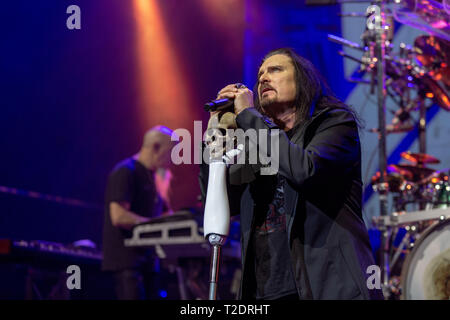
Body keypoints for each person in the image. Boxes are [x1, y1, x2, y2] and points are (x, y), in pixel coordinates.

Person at [199, 48, 384, 300]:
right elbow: (225, 202)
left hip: (328, 287)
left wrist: (248, 116)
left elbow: (305, 170)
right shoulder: (255, 143)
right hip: (265, 289)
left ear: (303, 80)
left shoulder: (334, 124)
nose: (263, 78)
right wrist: (213, 140)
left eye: (275, 70)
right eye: (260, 73)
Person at [102, 125, 175, 300]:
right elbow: (119, 216)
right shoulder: (126, 171)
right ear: (156, 147)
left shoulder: (154, 176)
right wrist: (153, 225)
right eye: (170, 152)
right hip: (127, 263)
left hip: (148, 262)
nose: (173, 158)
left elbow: (167, 215)